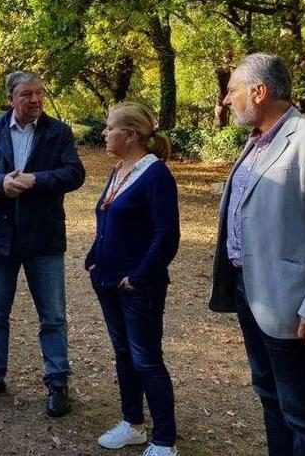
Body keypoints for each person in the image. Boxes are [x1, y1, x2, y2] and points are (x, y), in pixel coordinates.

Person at [210, 53, 305, 455]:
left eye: (232, 90)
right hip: (252, 293)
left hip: (295, 306)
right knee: (270, 397)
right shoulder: (255, 144)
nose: (227, 100)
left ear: (259, 92)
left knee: (304, 412)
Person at [0, 70, 84, 417]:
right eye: (27, 94)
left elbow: (75, 173)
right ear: (11, 98)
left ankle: (57, 382)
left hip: (43, 238)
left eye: (40, 94)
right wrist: (0, 183)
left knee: (53, 316)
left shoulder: (58, 132)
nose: (35, 100)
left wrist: (37, 180)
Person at [85, 103, 180, 456]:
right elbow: (109, 216)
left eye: (110, 128)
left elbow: (166, 236)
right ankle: (133, 424)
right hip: (108, 281)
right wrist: (95, 259)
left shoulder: (156, 176)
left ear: (131, 135)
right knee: (123, 354)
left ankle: (165, 441)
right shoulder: (120, 169)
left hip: (139, 288)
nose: (104, 134)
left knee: (146, 359)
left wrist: (137, 278)